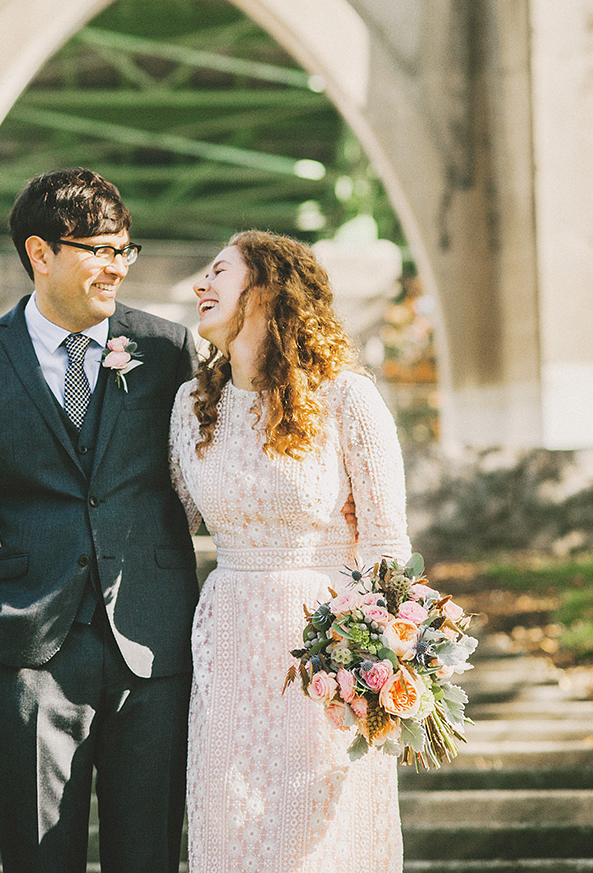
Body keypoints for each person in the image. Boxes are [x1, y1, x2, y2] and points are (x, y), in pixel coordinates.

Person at [0, 167, 199, 873]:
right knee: (38, 859)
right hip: (23, 653)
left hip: (154, 644)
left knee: (151, 857)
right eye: (100, 249)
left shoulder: (169, 351)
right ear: (40, 253)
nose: (116, 266)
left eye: (124, 249)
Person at [169, 230, 411, 873]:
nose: (202, 285)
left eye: (220, 272)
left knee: (317, 831)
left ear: (270, 290)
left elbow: (387, 547)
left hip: (326, 643)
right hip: (227, 632)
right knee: (231, 817)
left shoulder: (347, 399)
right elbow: (169, 521)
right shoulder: (192, 408)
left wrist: (376, 665)